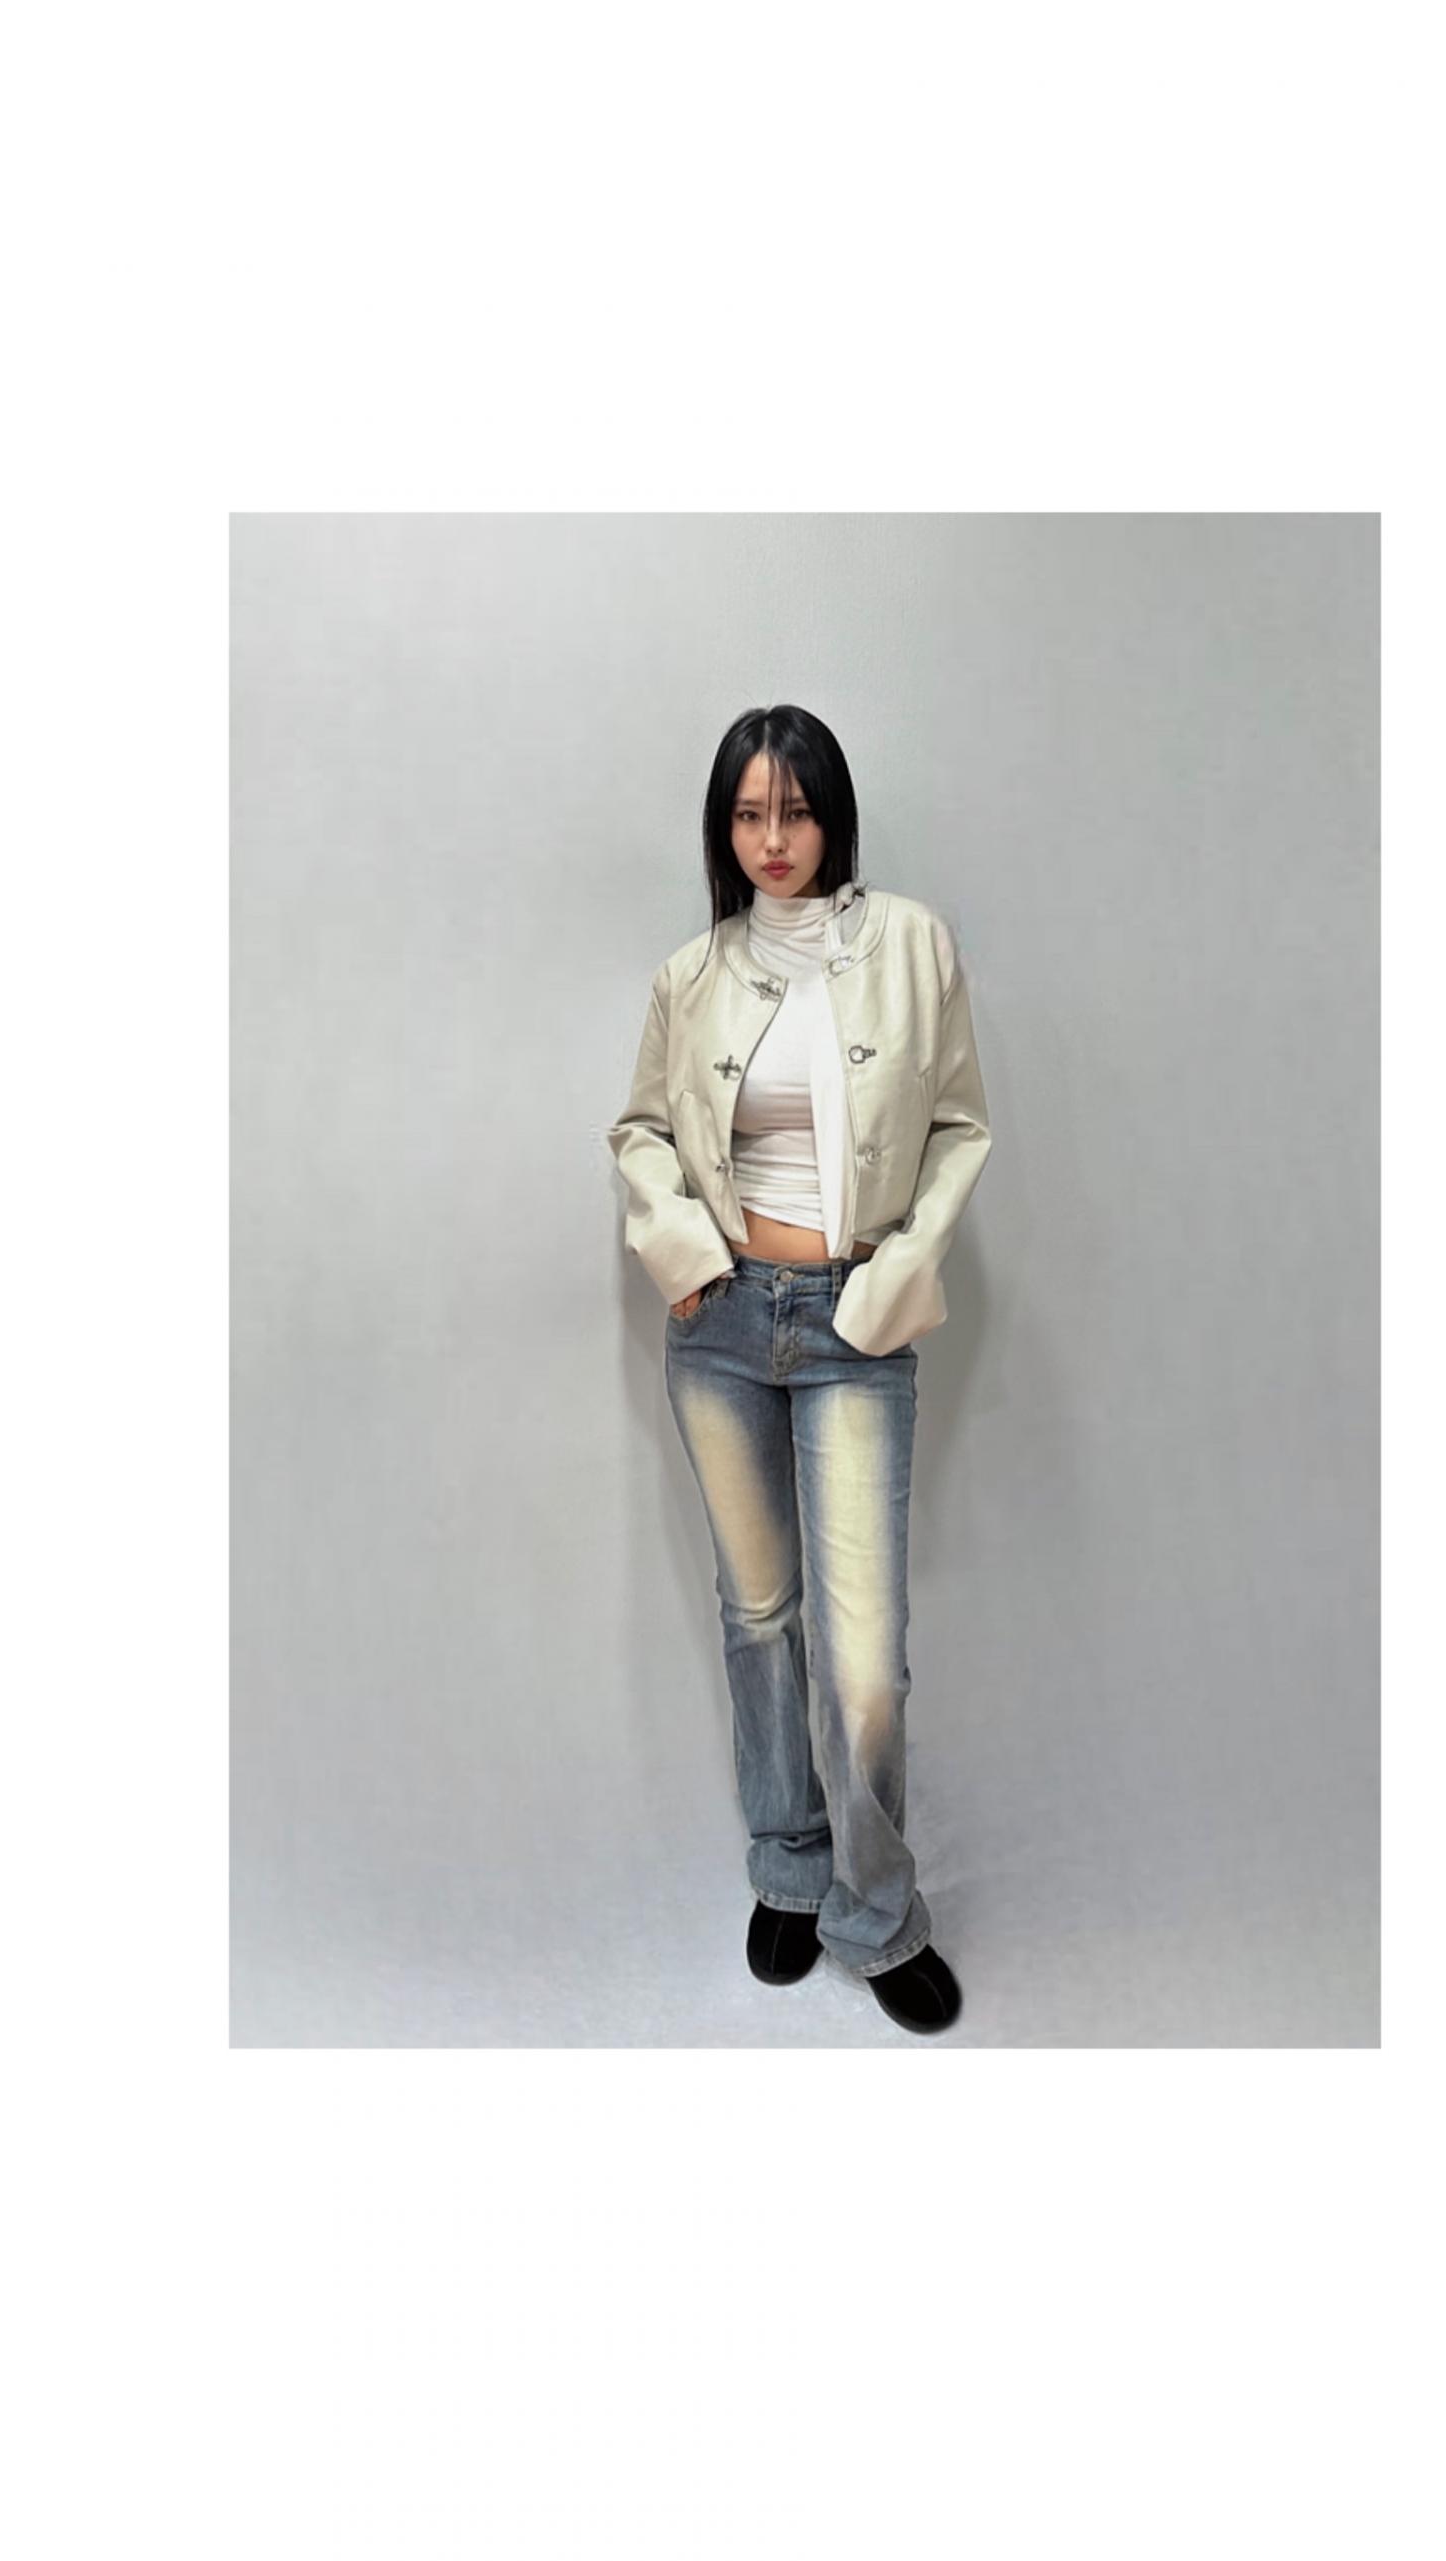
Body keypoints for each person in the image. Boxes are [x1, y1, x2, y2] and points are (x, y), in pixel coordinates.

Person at [607, 705, 993, 2034]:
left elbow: (959, 1127)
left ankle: (876, 1912)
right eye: (747, 814)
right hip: (721, 1327)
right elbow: (641, 1132)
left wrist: (898, 1272)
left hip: (854, 1327)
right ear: (723, 827)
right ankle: (789, 1863)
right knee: (760, 1614)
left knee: (865, 1654)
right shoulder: (690, 977)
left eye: (797, 810)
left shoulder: (913, 947)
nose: (773, 839)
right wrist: (680, 1249)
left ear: (835, 816)